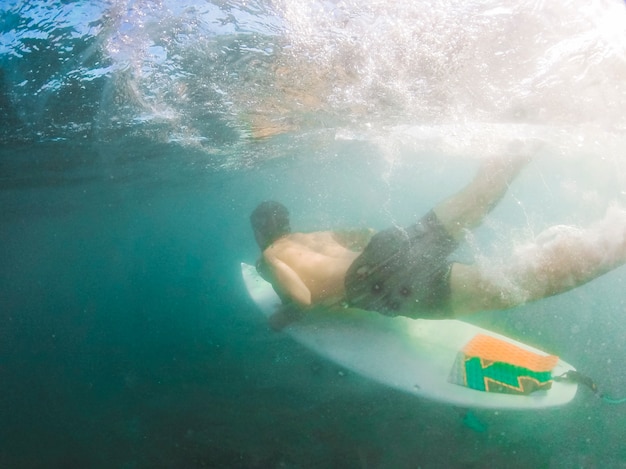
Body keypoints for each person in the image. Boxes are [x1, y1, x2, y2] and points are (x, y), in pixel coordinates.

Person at [250, 145, 626, 328]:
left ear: (260, 233)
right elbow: (364, 234)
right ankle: (525, 136)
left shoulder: (270, 256)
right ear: (286, 221)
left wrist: (290, 314)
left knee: (509, 285)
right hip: (390, 246)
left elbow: (301, 297)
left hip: (380, 286)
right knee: (477, 196)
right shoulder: (312, 235)